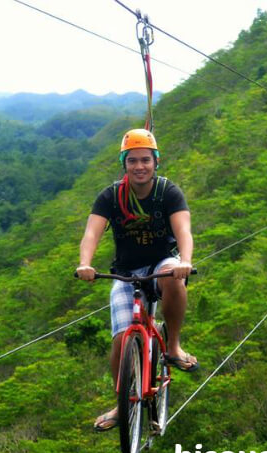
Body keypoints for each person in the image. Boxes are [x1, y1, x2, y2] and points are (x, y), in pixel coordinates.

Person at [76, 128, 199, 432]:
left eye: (146, 160)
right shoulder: (111, 196)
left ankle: (172, 346)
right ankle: (121, 404)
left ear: (156, 162)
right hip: (126, 271)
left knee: (173, 279)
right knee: (121, 340)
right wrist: (85, 264)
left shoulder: (167, 192)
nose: (140, 166)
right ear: (124, 163)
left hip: (161, 263)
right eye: (133, 161)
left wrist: (184, 261)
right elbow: (92, 233)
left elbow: (183, 230)